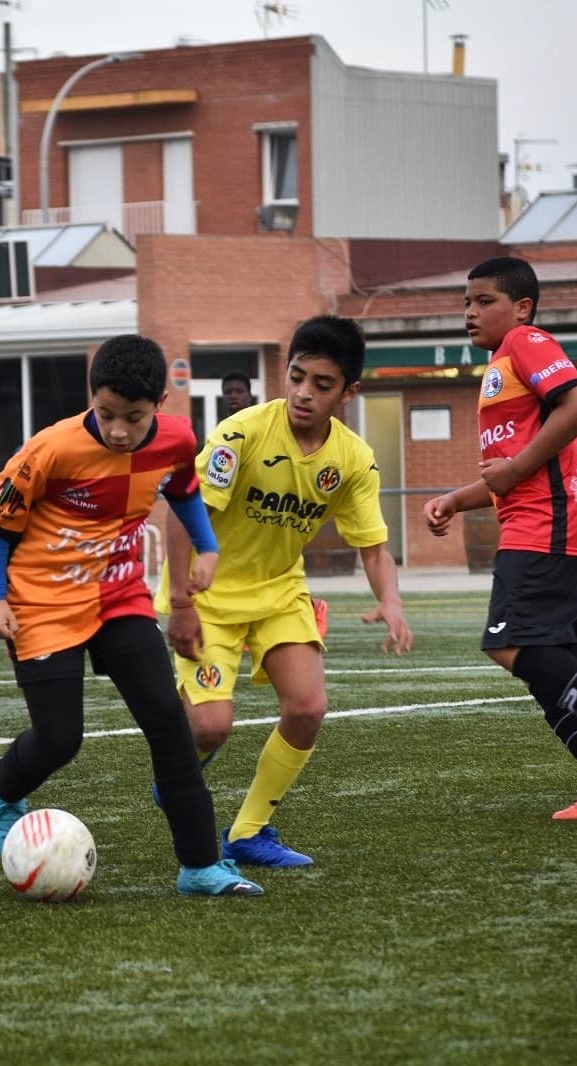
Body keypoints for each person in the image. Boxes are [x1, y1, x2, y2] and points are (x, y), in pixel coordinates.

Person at [0, 333, 263, 897]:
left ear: (158, 403)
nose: (117, 431)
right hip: (42, 600)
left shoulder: (178, 439)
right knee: (60, 739)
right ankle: (3, 786)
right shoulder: (50, 450)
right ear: (93, 398)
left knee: (167, 721)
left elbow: (183, 490)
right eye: (106, 414)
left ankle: (201, 865)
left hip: (118, 594)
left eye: (132, 418)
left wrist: (207, 548)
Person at [155, 314, 413, 867]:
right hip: (209, 597)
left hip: (278, 592)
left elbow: (372, 544)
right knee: (211, 728)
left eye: (322, 385)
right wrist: (180, 603)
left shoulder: (352, 459)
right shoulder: (241, 433)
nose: (303, 393)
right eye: (296, 377)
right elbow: (181, 510)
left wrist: (391, 601)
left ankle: (249, 831)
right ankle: (177, 763)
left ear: (349, 392)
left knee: (307, 708)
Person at [424, 256, 577, 820]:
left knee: (510, 643)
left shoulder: (526, 340)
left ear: (521, 306)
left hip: (550, 527)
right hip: (561, 525)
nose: (470, 313)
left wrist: (518, 464)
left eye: (483, 301)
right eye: (466, 303)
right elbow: (507, 474)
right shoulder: (501, 368)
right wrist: (455, 499)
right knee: (556, 665)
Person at [222, 369, 329, 638]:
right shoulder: (225, 429)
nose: (233, 397)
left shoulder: (266, 424)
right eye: (228, 393)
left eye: (238, 392)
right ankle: (245, 627)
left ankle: (312, 608)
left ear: (250, 395)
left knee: (278, 569)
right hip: (239, 513)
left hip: (271, 509)